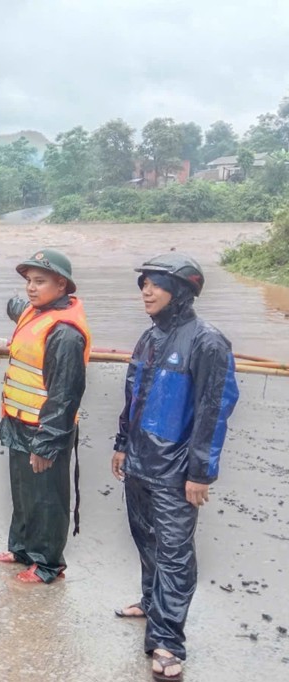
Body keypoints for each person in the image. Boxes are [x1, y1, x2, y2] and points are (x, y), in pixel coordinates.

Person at [111, 253, 238, 681]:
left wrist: (200, 472)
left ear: (181, 290)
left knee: (175, 553)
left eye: (155, 284)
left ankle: (168, 641)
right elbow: (133, 395)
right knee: (145, 540)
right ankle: (151, 603)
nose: (145, 291)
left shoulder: (207, 341)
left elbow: (213, 409)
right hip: (140, 463)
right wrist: (122, 444)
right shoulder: (149, 338)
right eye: (143, 283)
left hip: (176, 471)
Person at [0, 248, 92, 584]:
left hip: (46, 427)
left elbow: (65, 395)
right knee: (22, 490)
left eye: (40, 281)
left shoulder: (65, 333)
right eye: (29, 282)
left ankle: (48, 563)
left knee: (47, 496)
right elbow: (15, 305)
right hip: (18, 420)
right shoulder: (33, 312)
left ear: (62, 286)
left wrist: (47, 443)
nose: (31, 288)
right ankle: (21, 549)